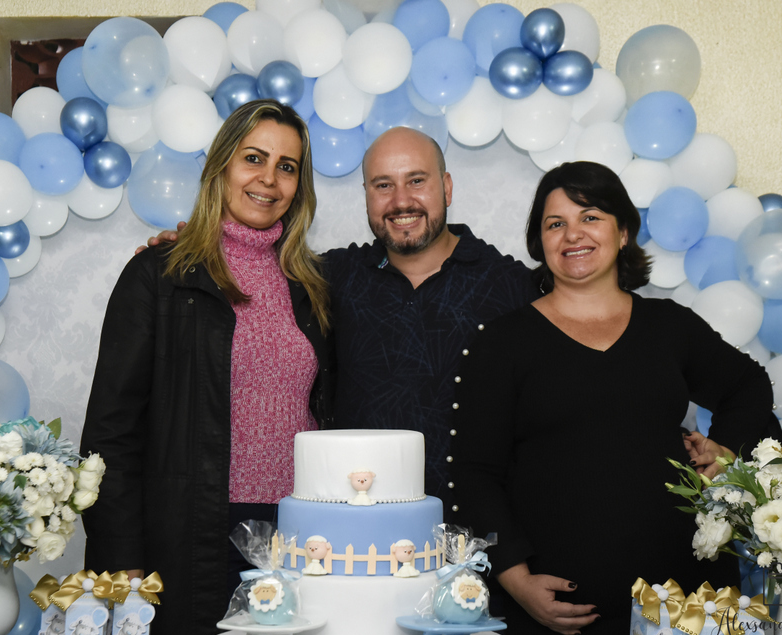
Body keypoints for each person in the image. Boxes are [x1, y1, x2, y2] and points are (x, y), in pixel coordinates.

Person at [449, 161, 781, 635]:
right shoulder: (502, 343)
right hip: (562, 618)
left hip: (686, 607)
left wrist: (725, 448)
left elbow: (749, 385)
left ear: (623, 232)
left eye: (590, 217)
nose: (573, 234)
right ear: (540, 241)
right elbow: (474, 474)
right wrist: (515, 581)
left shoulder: (669, 326)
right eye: (555, 223)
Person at [146, 126, 539, 512]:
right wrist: (193, 250)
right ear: (366, 195)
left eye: (417, 180)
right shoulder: (324, 279)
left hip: (473, 533)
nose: (402, 201)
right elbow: (252, 264)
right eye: (383, 185)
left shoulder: (512, 287)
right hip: (348, 527)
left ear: (447, 187)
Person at [81, 100, 333, 635]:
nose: (268, 179)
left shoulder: (313, 285)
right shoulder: (158, 276)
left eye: (287, 166)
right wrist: (122, 566)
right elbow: (110, 437)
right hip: (193, 537)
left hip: (298, 543)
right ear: (220, 166)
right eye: (253, 158)